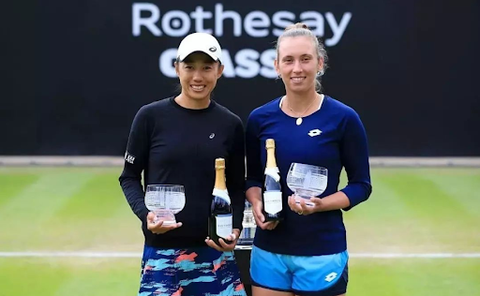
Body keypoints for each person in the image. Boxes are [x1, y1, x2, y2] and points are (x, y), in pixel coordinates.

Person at [245, 23, 372, 296]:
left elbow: (361, 185)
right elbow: (253, 178)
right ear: (277, 66)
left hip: (322, 250)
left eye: (305, 59)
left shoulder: (344, 118)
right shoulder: (259, 119)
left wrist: (321, 204)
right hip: (270, 249)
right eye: (288, 60)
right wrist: (257, 204)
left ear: (320, 63)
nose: (297, 68)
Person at [119, 32, 247, 296]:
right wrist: (147, 215)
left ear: (219, 70)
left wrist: (235, 227)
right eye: (189, 67)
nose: (197, 77)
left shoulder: (230, 124)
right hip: (162, 255)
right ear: (177, 68)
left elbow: (236, 187)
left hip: (215, 253)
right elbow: (129, 177)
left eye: (206, 68)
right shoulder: (150, 117)